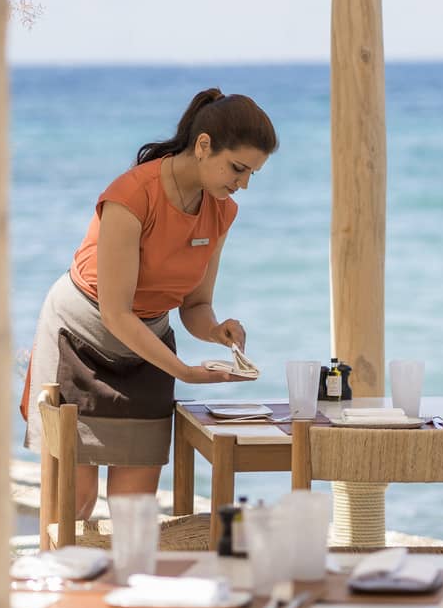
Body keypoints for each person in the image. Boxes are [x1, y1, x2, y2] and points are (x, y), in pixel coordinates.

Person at [23, 88, 277, 518]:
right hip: (76, 337)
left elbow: (195, 305)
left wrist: (215, 331)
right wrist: (182, 371)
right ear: (203, 146)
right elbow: (115, 312)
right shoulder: (130, 196)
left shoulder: (222, 210)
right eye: (238, 168)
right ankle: (61, 583)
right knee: (74, 501)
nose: (243, 184)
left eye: (252, 173)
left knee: (133, 511)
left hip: (147, 345)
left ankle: (124, 585)